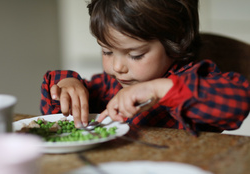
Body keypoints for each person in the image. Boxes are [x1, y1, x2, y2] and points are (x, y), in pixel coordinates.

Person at [40, 0, 250, 135]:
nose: (117, 67)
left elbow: (237, 102)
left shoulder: (192, 78)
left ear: (175, 41)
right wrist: (68, 84)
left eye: (135, 55)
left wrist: (158, 90)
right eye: (107, 51)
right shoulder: (108, 86)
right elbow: (54, 116)